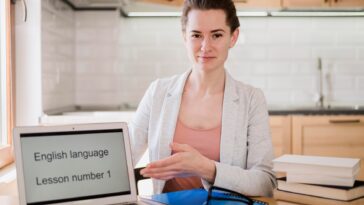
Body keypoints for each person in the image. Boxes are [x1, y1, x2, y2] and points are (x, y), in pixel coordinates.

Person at [129, 0, 276, 197]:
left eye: (216, 35)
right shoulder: (158, 93)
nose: (205, 47)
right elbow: (122, 158)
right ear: (184, 37)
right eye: (196, 35)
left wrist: (206, 168)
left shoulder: (251, 100)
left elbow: (265, 182)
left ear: (233, 37)